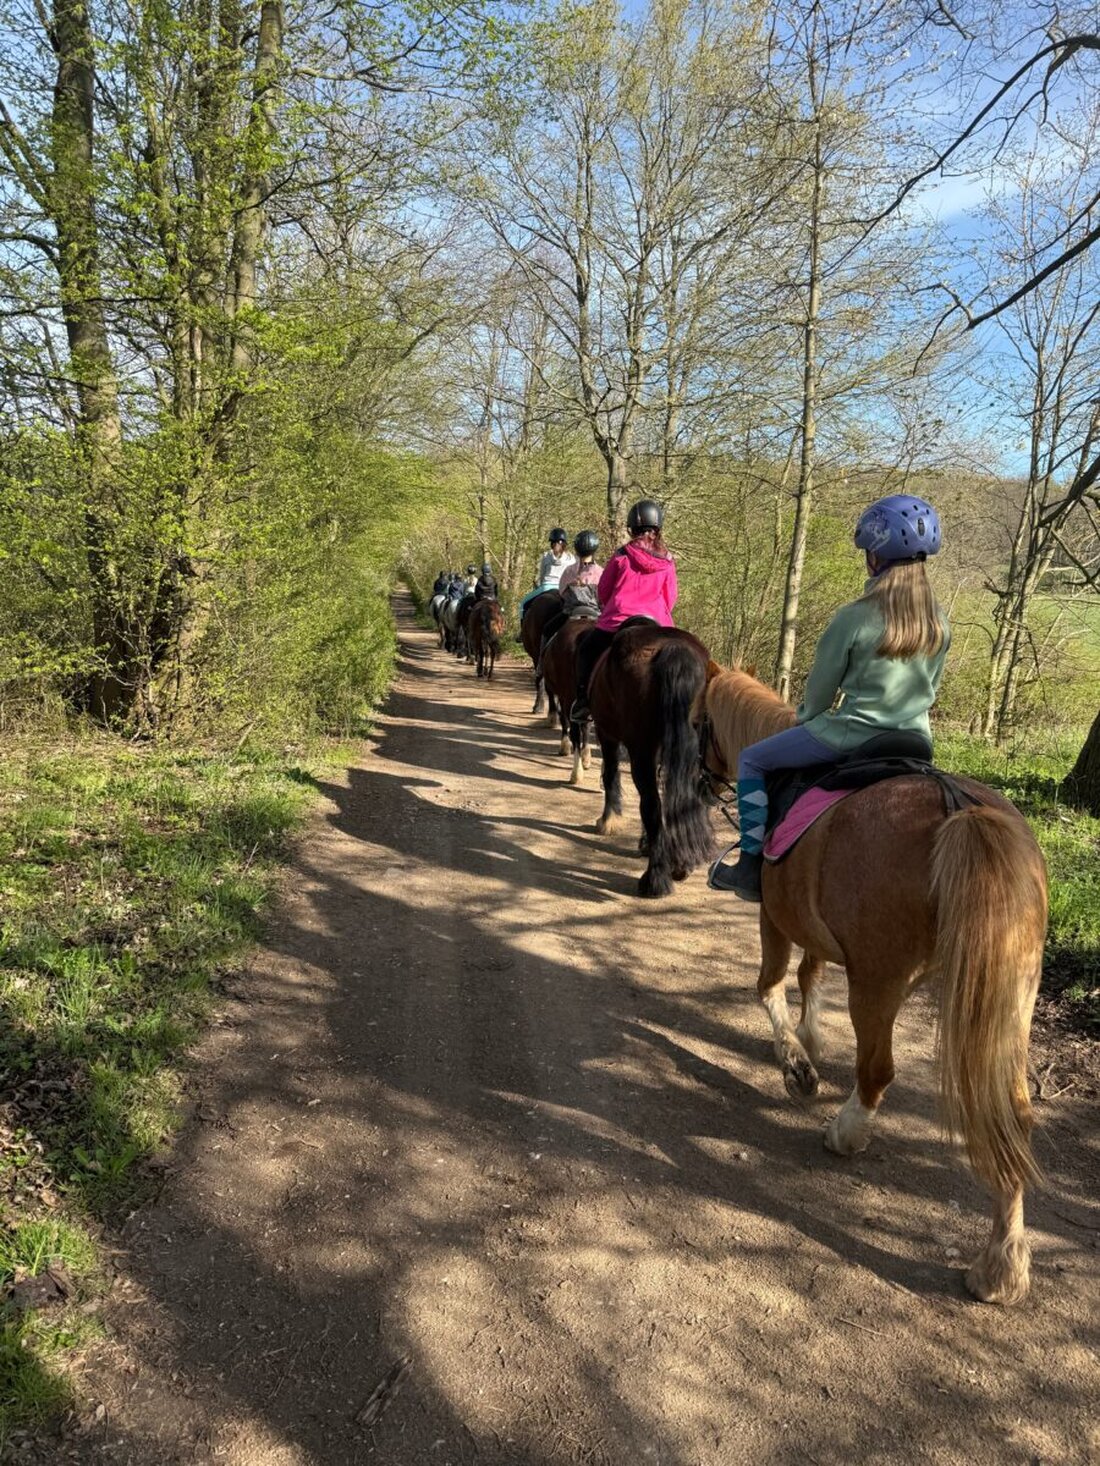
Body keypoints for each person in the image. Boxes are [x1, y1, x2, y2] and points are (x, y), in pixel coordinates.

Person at [709, 494, 949, 902]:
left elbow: (819, 696)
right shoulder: (939, 622)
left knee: (753, 759)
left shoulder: (855, 617)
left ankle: (749, 866)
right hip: (916, 740)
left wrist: (804, 716)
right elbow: (932, 686)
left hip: (851, 734)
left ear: (875, 557)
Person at [570, 500, 676, 724]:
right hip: (658, 622)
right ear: (658, 528)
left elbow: (604, 590)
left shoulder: (621, 556)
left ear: (631, 529)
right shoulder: (667, 561)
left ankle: (583, 703)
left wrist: (610, 606)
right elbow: (670, 597)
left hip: (618, 620)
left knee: (586, 649)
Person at [537, 531, 602, 668]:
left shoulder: (569, 571)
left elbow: (561, 592)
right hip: (595, 613)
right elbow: (605, 596)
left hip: (571, 612)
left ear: (576, 549)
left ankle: (541, 666)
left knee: (547, 630)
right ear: (595, 549)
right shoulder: (601, 572)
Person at [519, 528, 577, 619]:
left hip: (545, 587)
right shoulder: (571, 559)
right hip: (563, 589)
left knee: (523, 604)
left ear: (551, 544)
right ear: (565, 544)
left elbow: (542, 575)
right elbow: (572, 577)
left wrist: (541, 585)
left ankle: (523, 630)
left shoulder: (546, 556)